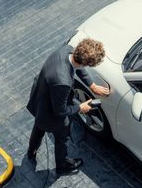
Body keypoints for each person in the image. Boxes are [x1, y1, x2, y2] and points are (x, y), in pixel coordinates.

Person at [26, 38, 110, 175]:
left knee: (39, 126)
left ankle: (31, 151)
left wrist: (92, 85)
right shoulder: (63, 81)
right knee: (62, 138)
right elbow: (60, 111)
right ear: (87, 63)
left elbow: (78, 67)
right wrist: (80, 108)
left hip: (40, 101)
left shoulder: (67, 50)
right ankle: (62, 167)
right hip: (51, 113)